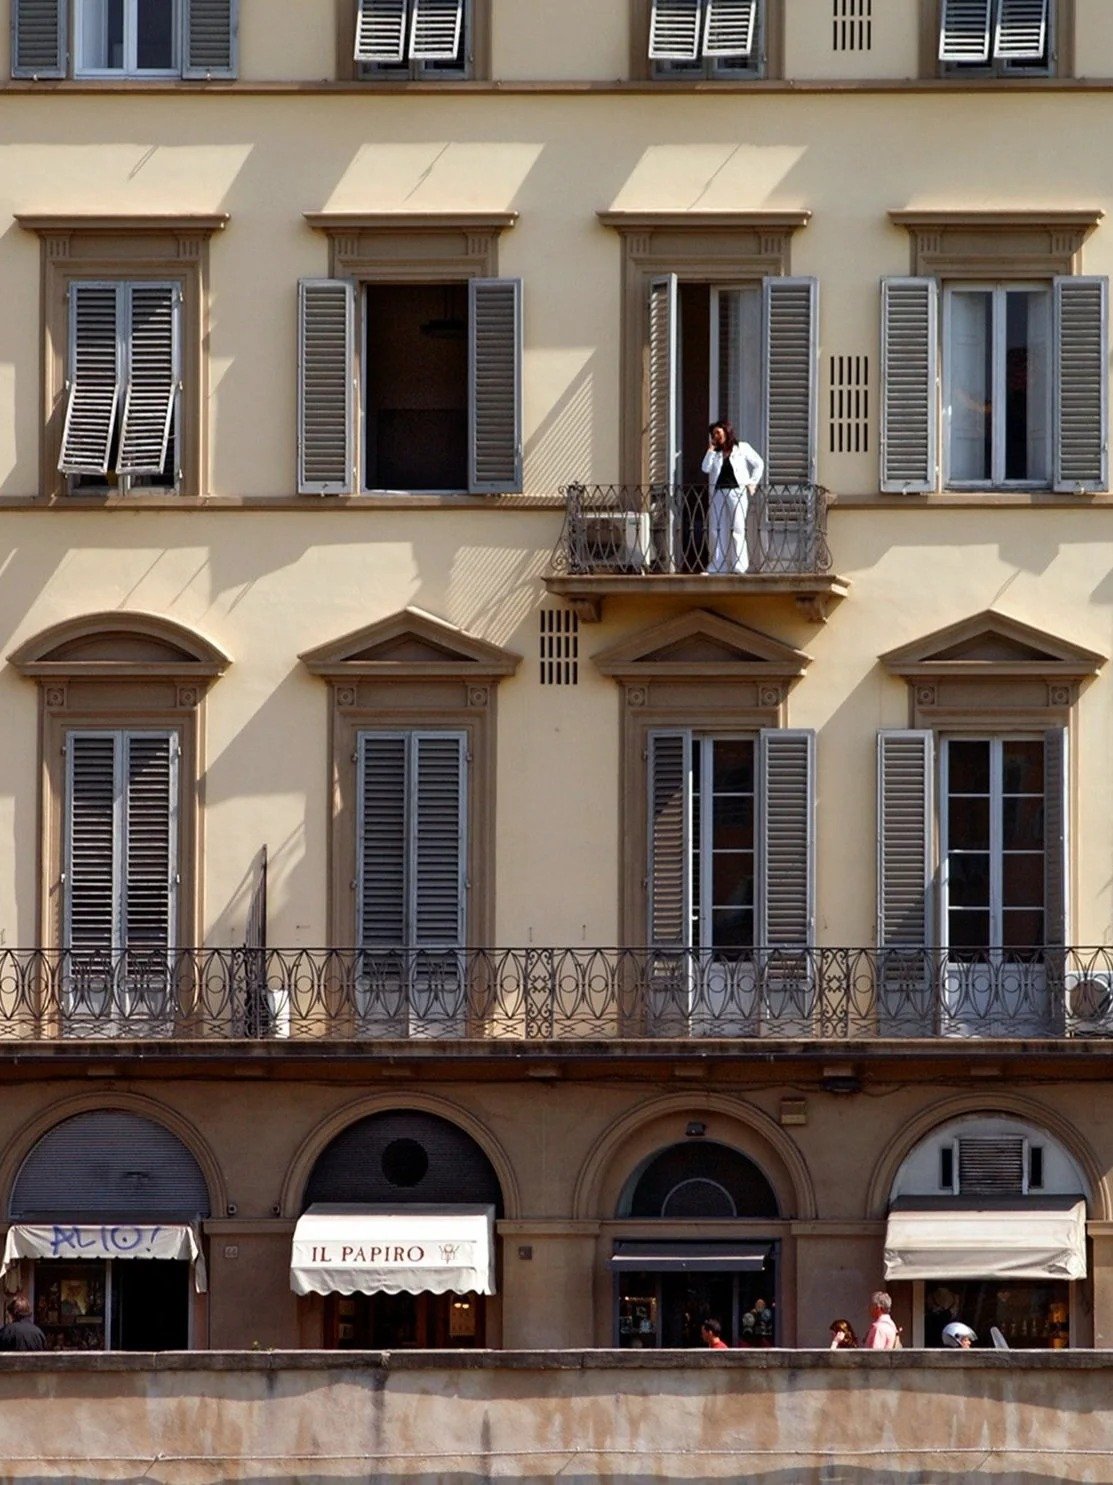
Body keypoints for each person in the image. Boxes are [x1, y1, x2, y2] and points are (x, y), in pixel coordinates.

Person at [701, 421, 764, 576]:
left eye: (718, 433)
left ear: (726, 432)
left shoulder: (742, 448)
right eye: (714, 434)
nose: (716, 436)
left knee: (737, 528)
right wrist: (710, 449)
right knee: (717, 529)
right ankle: (718, 565)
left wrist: (752, 482)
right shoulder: (715, 454)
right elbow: (705, 468)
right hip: (718, 493)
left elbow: (758, 463)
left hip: (737, 491)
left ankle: (739, 566)